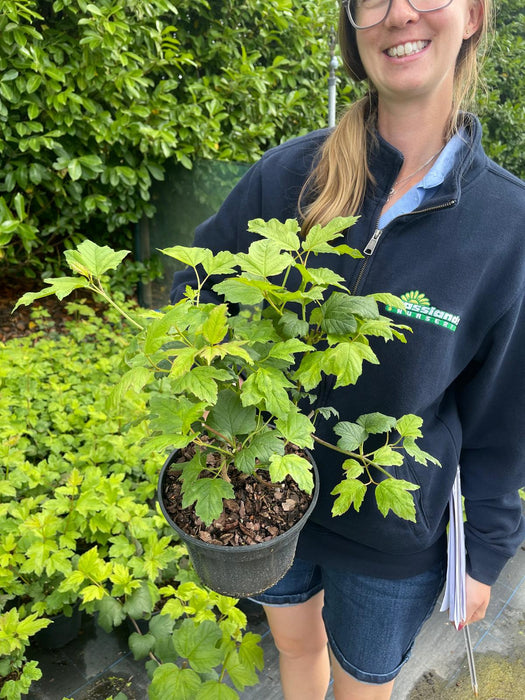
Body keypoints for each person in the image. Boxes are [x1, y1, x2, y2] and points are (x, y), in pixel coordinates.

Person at [170, 1, 525, 698]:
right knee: (296, 653)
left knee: (363, 686)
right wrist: (224, 362)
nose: (399, 14)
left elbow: (504, 415)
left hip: (391, 542)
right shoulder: (289, 175)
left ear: (474, 14)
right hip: (262, 506)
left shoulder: (506, 225)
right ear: (352, 24)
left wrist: (483, 552)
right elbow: (196, 285)